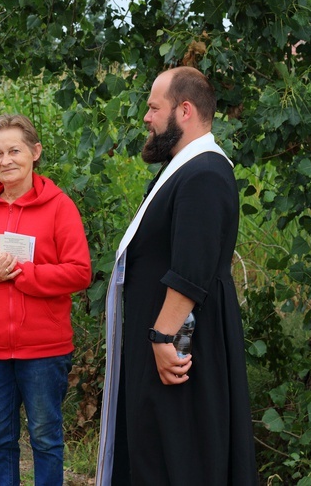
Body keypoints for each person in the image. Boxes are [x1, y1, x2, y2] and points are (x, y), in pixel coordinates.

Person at [95, 67, 257, 485]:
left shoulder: (203, 173)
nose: (146, 117)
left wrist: (164, 337)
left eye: (153, 107)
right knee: (158, 445)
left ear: (184, 111)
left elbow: (191, 267)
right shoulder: (185, 167)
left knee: (180, 450)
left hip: (182, 343)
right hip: (169, 337)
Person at [0, 114, 91, 485]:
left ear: (35, 152)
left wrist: (24, 272)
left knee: (45, 439)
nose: (5, 160)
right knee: (1, 440)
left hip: (43, 349)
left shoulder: (59, 206)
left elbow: (79, 272)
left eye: (14, 150)